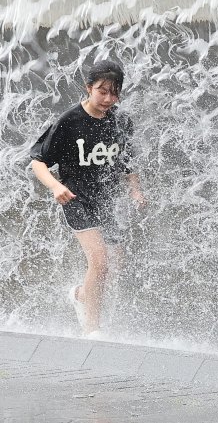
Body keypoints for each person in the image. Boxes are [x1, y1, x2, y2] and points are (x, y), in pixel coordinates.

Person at [30, 60, 144, 336]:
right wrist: (56, 187)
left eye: (114, 93)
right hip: (75, 200)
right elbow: (37, 161)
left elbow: (126, 160)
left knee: (115, 264)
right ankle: (92, 330)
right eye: (102, 91)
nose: (108, 99)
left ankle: (82, 295)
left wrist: (135, 188)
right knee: (100, 261)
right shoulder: (70, 121)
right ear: (88, 88)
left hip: (106, 201)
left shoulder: (121, 121)